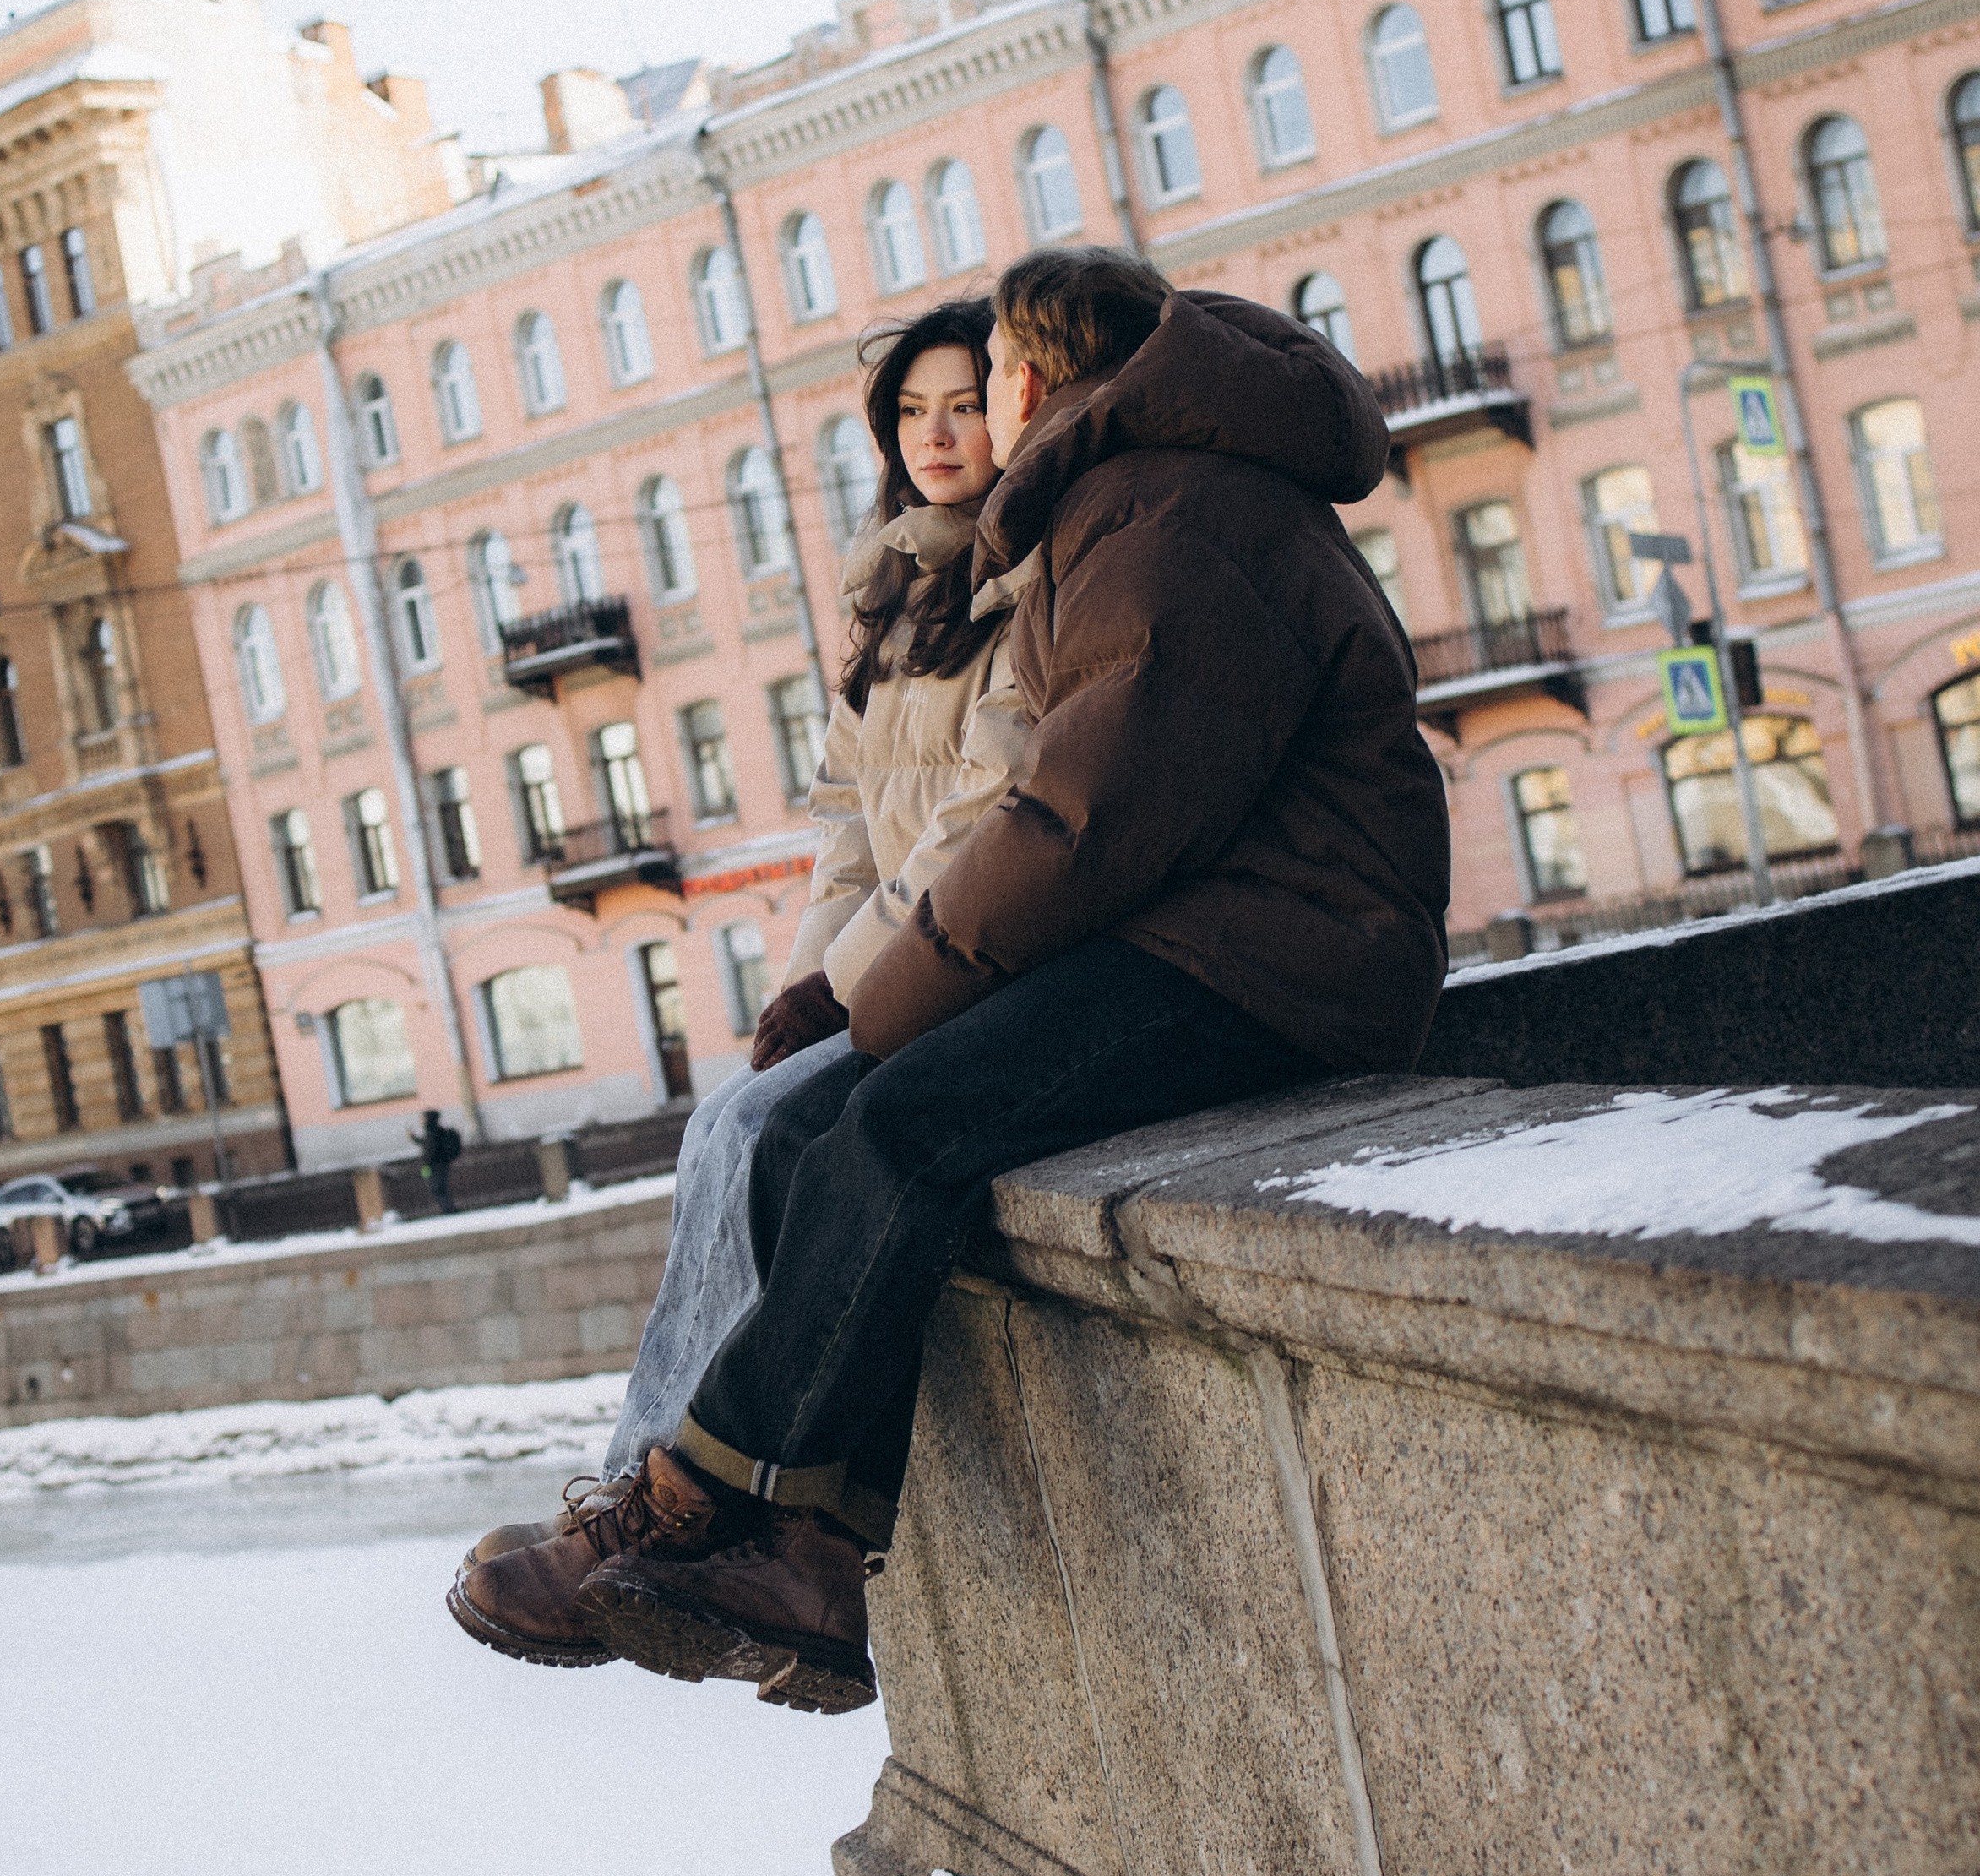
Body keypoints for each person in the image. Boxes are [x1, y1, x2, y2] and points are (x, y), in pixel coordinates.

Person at [470, 247, 1452, 1716]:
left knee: (903, 1122)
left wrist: (883, 999)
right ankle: (806, 1556)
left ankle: (688, 1505)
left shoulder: (1174, 514)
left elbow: (1084, 822)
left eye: (985, 377)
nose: (975, 413)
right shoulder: (1139, 499)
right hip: (1221, 934)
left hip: (1285, 956)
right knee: (816, 1124)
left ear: (1031, 378)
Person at [448, 296, 1034, 1666]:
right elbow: (851, 826)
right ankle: (642, 1496)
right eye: (912, 412)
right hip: (894, 957)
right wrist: (805, 987)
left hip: (968, 961)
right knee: (733, 1115)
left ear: (1013, 412)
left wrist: (850, 986)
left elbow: (978, 815)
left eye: (966, 404)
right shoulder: (894, 591)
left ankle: (668, 1512)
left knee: (766, 1128)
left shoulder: (1026, 578)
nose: (938, 434)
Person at [412, 1107, 462, 1216]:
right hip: (439, 1164)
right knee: (439, 1188)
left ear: (428, 1119)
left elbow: (430, 1149)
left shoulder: (432, 1132)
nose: (421, 1120)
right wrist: (415, 1139)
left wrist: (426, 1164)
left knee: (437, 1189)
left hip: (435, 1166)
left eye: (423, 1118)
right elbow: (427, 1144)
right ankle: (449, 1209)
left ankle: (449, 1210)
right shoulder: (436, 1131)